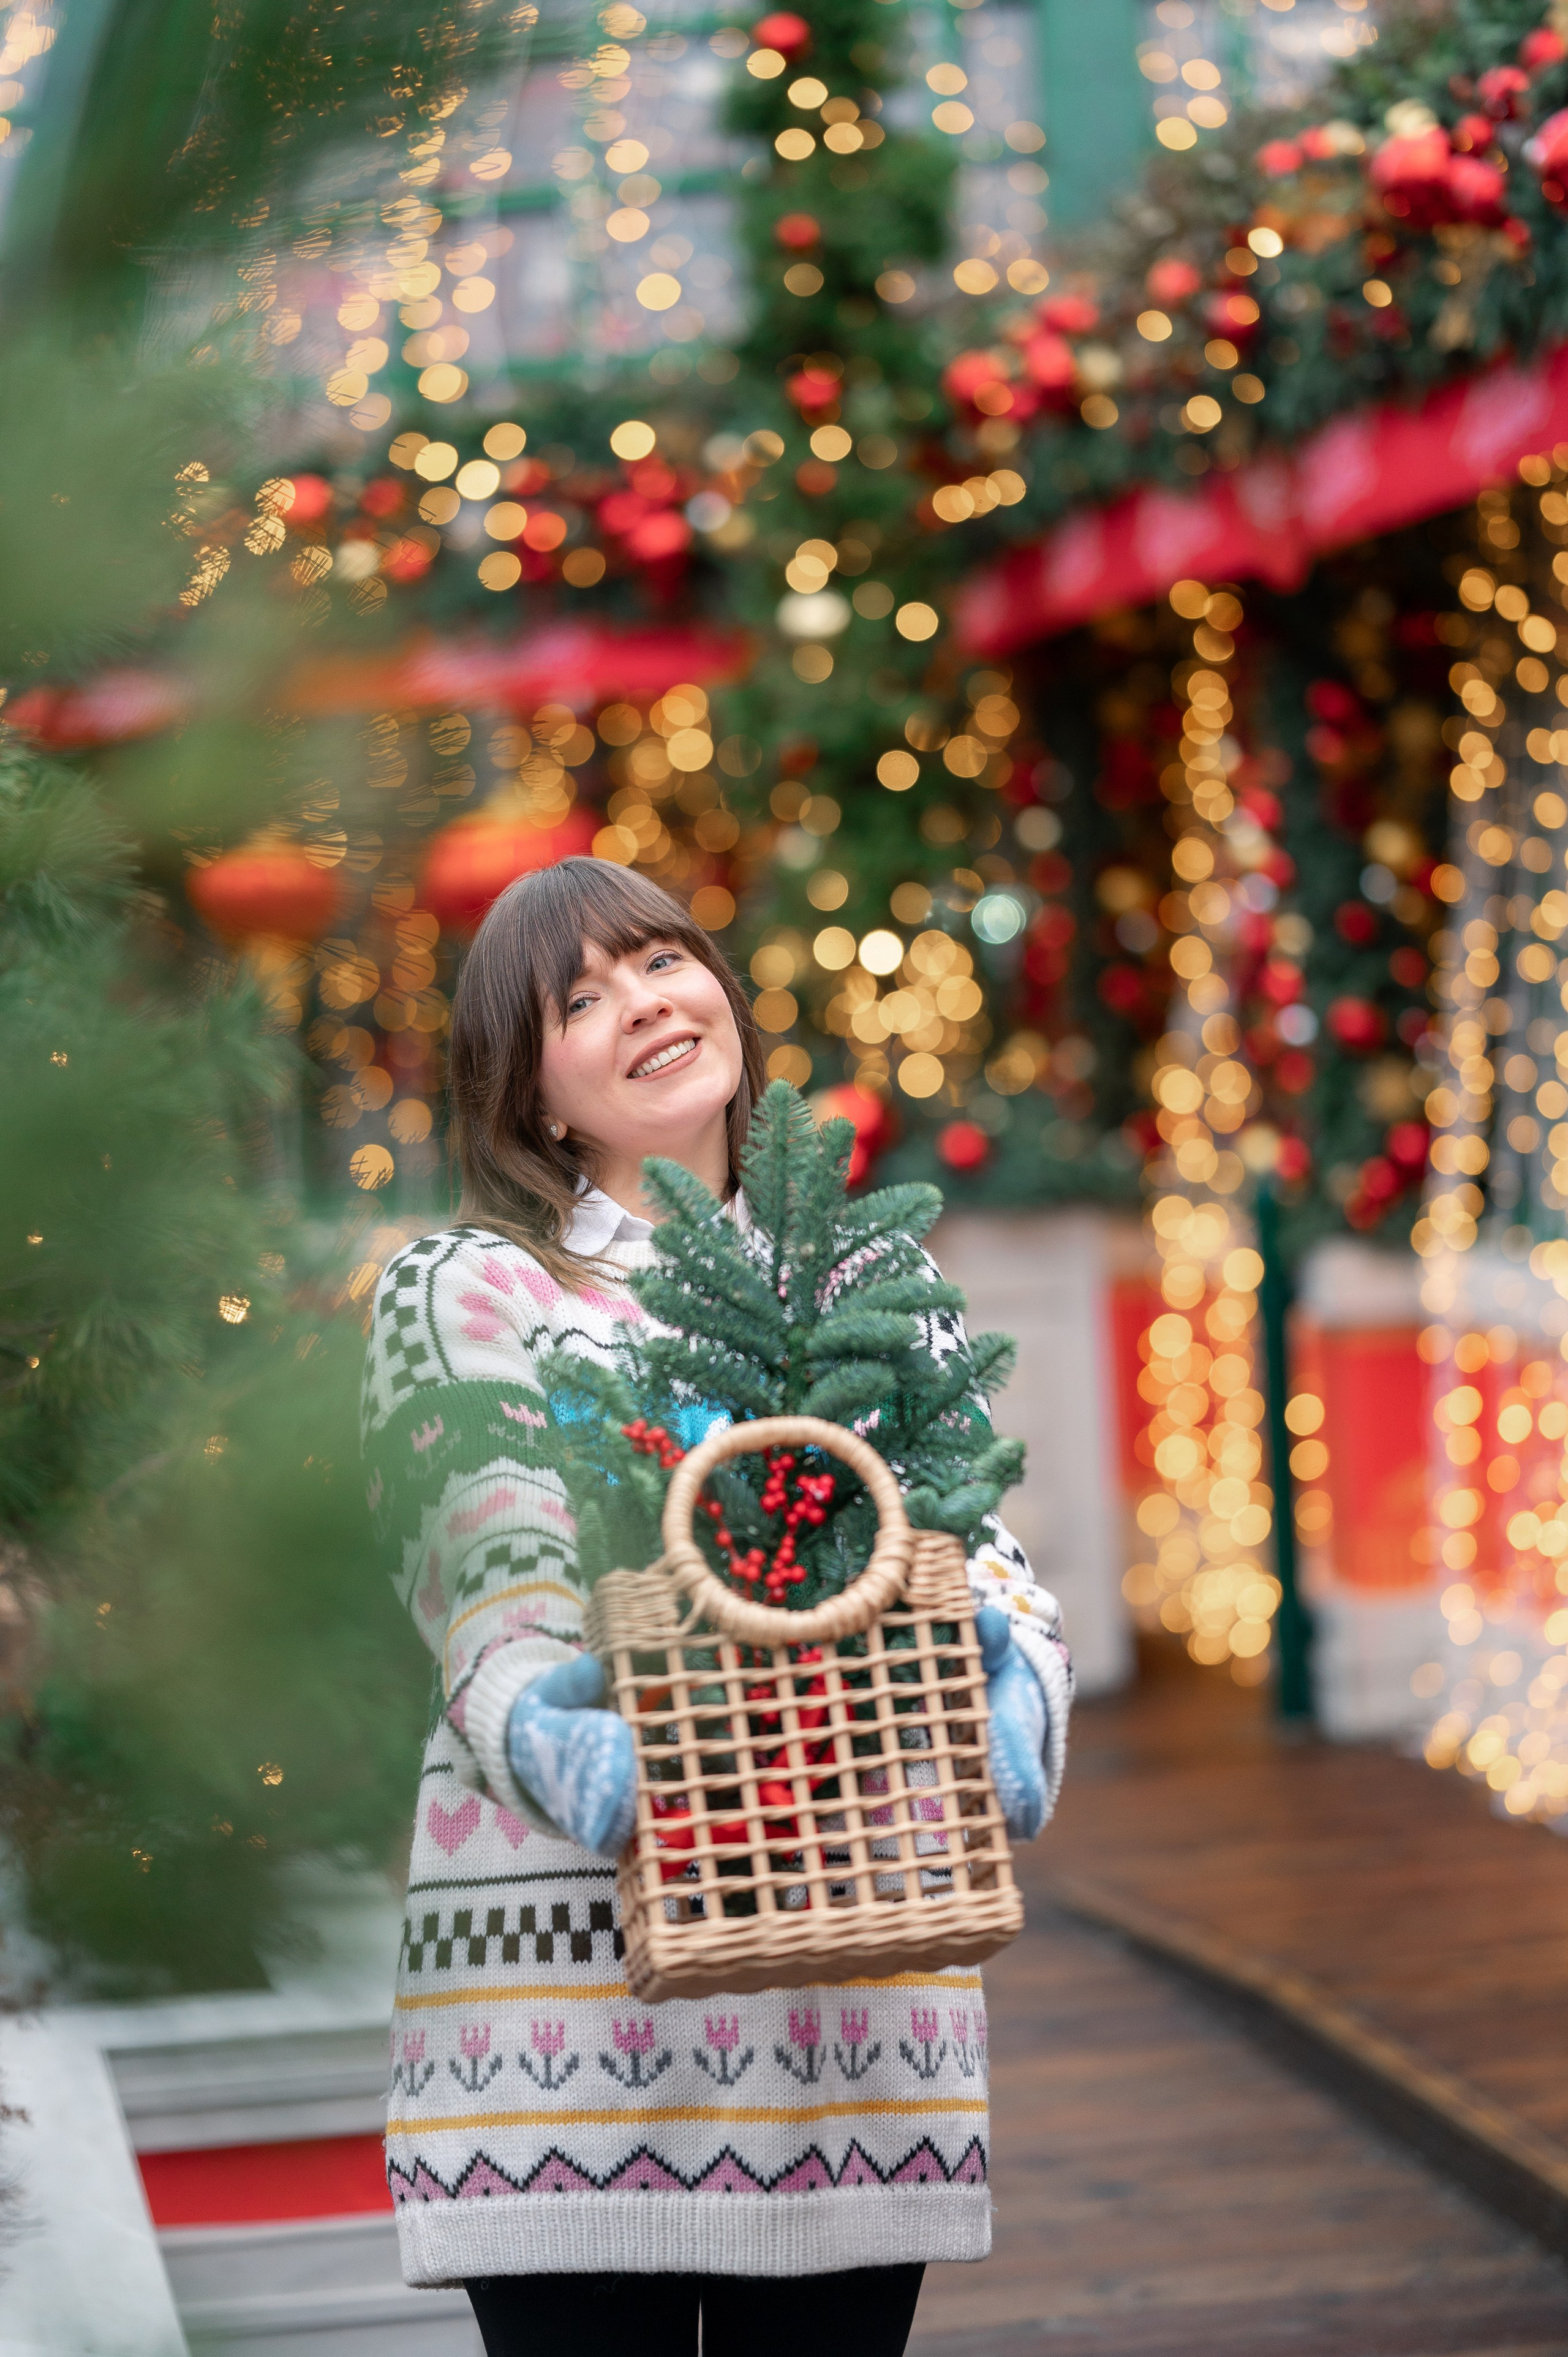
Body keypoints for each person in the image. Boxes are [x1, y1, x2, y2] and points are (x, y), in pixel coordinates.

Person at [362, 858, 1072, 2357]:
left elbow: (976, 1541)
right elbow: (491, 1592)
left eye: (658, 960)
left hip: (857, 2029)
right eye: (579, 999)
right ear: (532, 1091)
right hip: (573, 2039)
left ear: (717, 988)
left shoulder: (866, 1271)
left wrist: (1012, 1707)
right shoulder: (474, 1287)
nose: (641, 1005)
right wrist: (620, 1774)